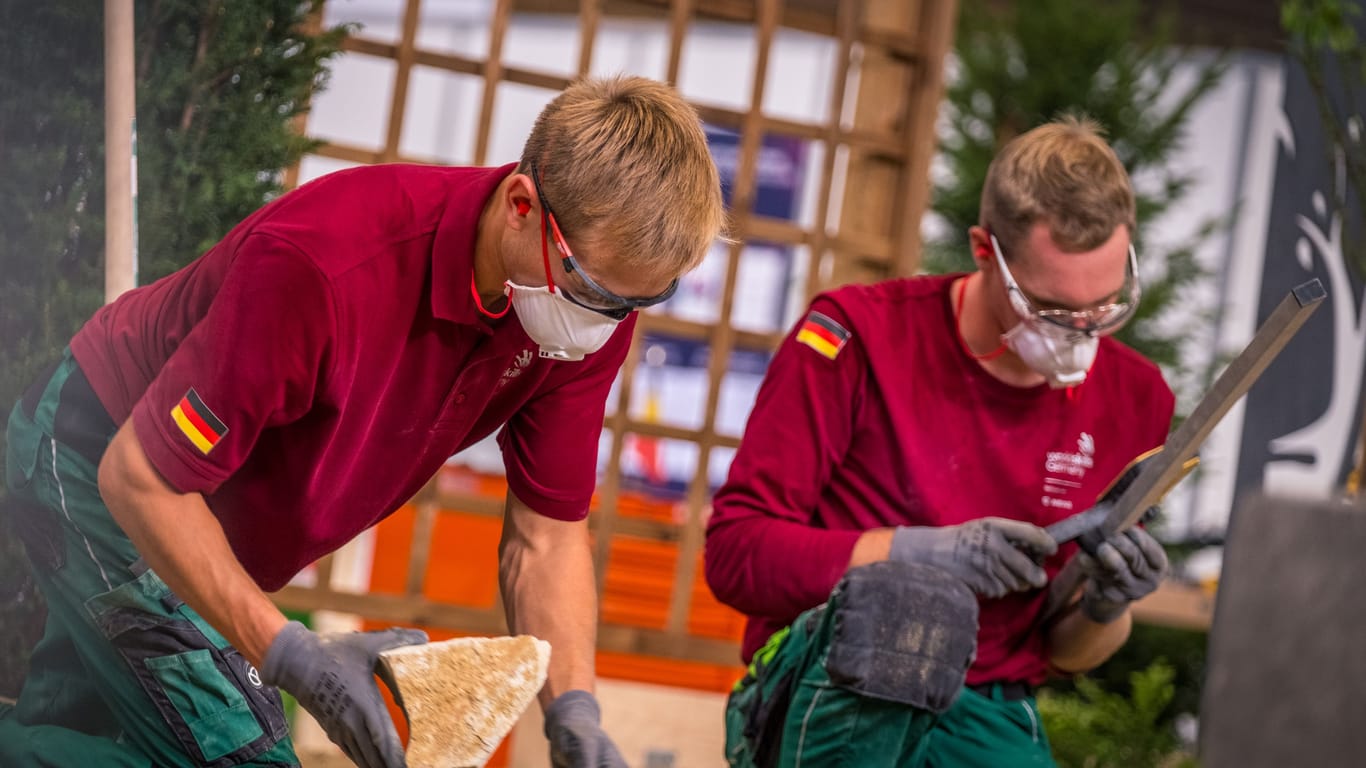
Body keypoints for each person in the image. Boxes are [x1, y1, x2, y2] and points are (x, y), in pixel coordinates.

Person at [0, 75, 724, 768]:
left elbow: (546, 538)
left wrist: (575, 712)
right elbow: (140, 479)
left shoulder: (580, 318)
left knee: (93, 743)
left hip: (195, 518)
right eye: (591, 288)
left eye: (635, 303)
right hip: (94, 459)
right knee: (244, 758)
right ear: (521, 205)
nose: (605, 324)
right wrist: (288, 655)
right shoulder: (324, 264)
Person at [704, 116, 1175, 767]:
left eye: (1104, 308)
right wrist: (916, 555)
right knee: (901, 620)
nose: (1080, 333)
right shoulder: (854, 338)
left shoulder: (1137, 397)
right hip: (838, 678)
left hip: (986, 708)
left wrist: (1105, 606)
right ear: (985, 250)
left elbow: (1064, 654)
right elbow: (735, 556)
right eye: (1050, 309)